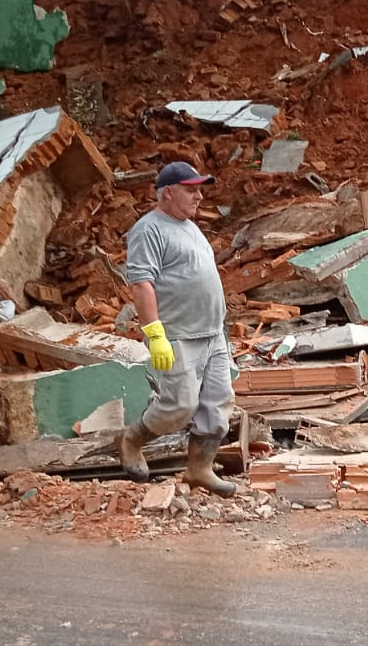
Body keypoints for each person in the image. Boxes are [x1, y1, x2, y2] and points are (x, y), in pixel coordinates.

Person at [115, 161, 236, 496]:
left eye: (200, 189)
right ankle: (132, 439)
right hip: (179, 335)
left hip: (212, 334)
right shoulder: (148, 229)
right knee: (179, 406)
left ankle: (199, 470)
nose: (199, 196)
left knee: (217, 405)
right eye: (191, 189)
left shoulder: (190, 227)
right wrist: (155, 334)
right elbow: (141, 283)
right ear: (168, 192)